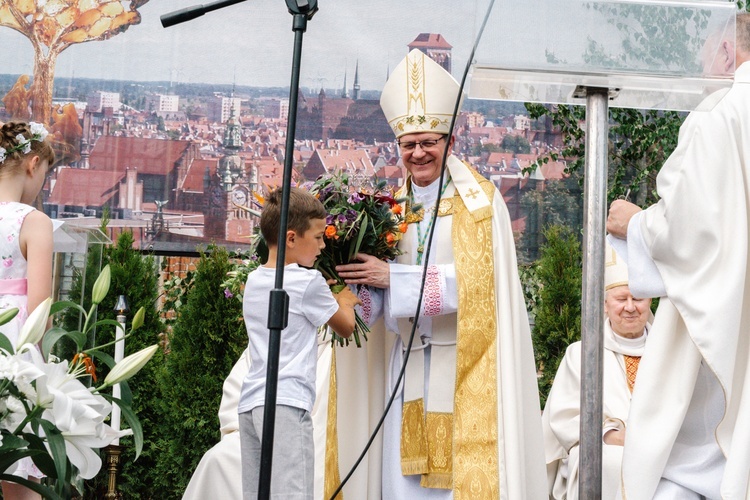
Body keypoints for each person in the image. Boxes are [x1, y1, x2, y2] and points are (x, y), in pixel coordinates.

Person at [335, 49, 546, 499]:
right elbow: (372, 304)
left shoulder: (481, 205)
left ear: (448, 141)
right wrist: (352, 291)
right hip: (405, 369)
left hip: (465, 367)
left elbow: (480, 284)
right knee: (402, 486)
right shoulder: (385, 213)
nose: (418, 153)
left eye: (428, 141)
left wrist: (395, 279)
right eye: (408, 144)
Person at [606, 13, 750, 499]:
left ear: (727, 53)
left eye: (704, 56)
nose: (701, 70)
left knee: (689, 463)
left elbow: (695, 232)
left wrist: (636, 224)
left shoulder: (721, 111)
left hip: (729, 328)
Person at [238, 187, 360, 499]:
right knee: (293, 493)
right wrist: (344, 299)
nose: (323, 245)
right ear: (292, 238)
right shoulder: (308, 281)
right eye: (318, 237)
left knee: (258, 493)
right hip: (287, 403)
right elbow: (345, 327)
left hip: (251, 403)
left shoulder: (253, 280)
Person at [542, 243, 651, 499]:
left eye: (638, 298)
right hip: (604, 445)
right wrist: (611, 435)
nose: (630, 307)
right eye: (621, 299)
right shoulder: (582, 352)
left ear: (650, 302)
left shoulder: (669, 352)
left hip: (661, 446)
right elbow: (564, 418)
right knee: (611, 463)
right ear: (604, 304)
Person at [0, 121, 55, 499]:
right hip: (16, 350)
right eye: (46, 175)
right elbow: (40, 310)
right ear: (33, 164)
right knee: (21, 474)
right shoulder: (34, 222)